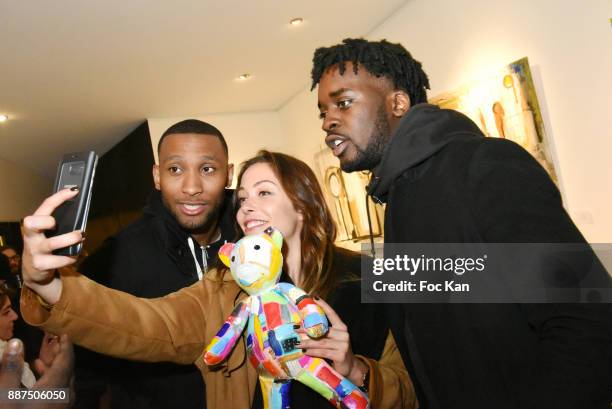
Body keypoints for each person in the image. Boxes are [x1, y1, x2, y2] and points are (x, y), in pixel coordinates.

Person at [311, 38, 612, 409]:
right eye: (323, 111)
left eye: (343, 102)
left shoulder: (484, 166)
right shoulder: (398, 200)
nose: (328, 121)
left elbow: (588, 327)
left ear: (398, 103)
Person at [18, 150, 416, 409]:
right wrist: (47, 283)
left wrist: (353, 369)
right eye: (242, 199)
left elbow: (414, 389)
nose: (246, 209)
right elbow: (142, 322)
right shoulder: (223, 287)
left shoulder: (371, 275)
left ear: (304, 206)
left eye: (263, 193)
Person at [74, 119, 235, 409]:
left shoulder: (255, 244)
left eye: (207, 169)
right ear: (157, 176)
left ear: (229, 175)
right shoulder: (118, 257)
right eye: (175, 169)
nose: (191, 187)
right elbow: (89, 370)